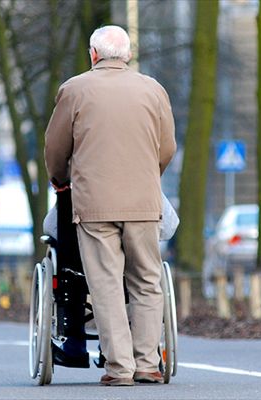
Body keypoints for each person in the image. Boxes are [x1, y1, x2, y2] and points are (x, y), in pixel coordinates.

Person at [44, 26, 176, 386]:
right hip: (143, 202)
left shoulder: (74, 89)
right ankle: (148, 362)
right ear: (128, 55)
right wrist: (150, 174)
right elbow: (166, 149)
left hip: (94, 203)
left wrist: (59, 179)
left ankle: (120, 368)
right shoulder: (153, 89)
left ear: (93, 55)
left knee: (104, 283)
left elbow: (56, 148)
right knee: (148, 280)